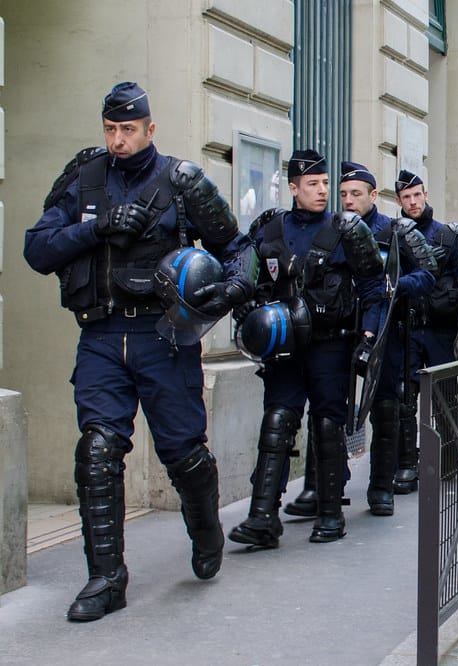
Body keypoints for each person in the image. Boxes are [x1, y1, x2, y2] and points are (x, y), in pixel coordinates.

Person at [24, 82, 258, 621]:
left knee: (184, 453)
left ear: (150, 129)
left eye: (128, 129)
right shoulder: (83, 176)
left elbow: (238, 247)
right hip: (102, 335)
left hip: (163, 336)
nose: (118, 139)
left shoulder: (181, 182)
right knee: (98, 452)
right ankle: (106, 579)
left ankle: (206, 531)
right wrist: (96, 228)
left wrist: (234, 289)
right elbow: (37, 249)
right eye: (110, 129)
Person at [228, 150, 386, 547]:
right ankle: (263, 517)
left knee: (328, 424)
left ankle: (330, 513)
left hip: (330, 344)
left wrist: (368, 339)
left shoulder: (346, 229)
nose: (322, 191)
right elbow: (245, 275)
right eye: (312, 184)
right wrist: (246, 309)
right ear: (293, 188)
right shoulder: (270, 228)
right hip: (283, 346)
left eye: (325, 183)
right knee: (278, 420)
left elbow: (373, 290)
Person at [340, 161, 436, 516]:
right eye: (344, 194)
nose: (349, 201)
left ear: (373, 195)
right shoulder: (334, 228)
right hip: (342, 330)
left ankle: (381, 486)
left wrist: (395, 286)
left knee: (385, 409)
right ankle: (329, 486)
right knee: (332, 409)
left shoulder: (395, 231)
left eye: (356, 194)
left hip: (388, 332)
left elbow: (427, 275)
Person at [392, 169, 458, 492]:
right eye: (406, 197)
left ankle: (449, 461)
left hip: (441, 331)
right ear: (398, 200)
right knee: (404, 400)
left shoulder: (446, 236)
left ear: (426, 195)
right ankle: (407, 466)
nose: (412, 202)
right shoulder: (395, 234)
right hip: (409, 328)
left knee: (446, 400)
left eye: (417, 195)